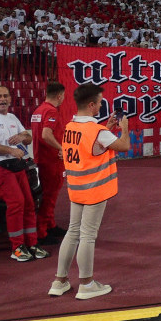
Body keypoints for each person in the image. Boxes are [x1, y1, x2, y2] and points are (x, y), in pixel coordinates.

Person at [49, 83, 129, 300]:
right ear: (92, 105)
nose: (101, 106)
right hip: (94, 189)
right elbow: (123, 145)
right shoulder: (97, 131)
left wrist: (107, 127)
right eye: (101, 103)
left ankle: (60, 280)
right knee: (87, 236)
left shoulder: (70, 127)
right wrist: (124, 128)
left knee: (73, 232)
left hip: (76, 188)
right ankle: (86, 283)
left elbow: (91, 147)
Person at [0, 86, 47, 262]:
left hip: (15, 165)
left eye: (5, 96)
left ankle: (32, 244)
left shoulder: (12, 117)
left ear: (10, 98)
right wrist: (10, 150)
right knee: (17, 203)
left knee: (30, 204)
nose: (2, 99)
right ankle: (17, 247)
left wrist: (23, 138)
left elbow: (28, 138)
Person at [30, 81, 68, 243]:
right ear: (59, 96)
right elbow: (46, 134)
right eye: (63, 96)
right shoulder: (51, 112)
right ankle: (41, 232)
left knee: (48, 195)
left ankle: (50, 224)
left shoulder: (38, 111)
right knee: (50, 195)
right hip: (52, 161)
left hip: (42, 159)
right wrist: (62, 148)